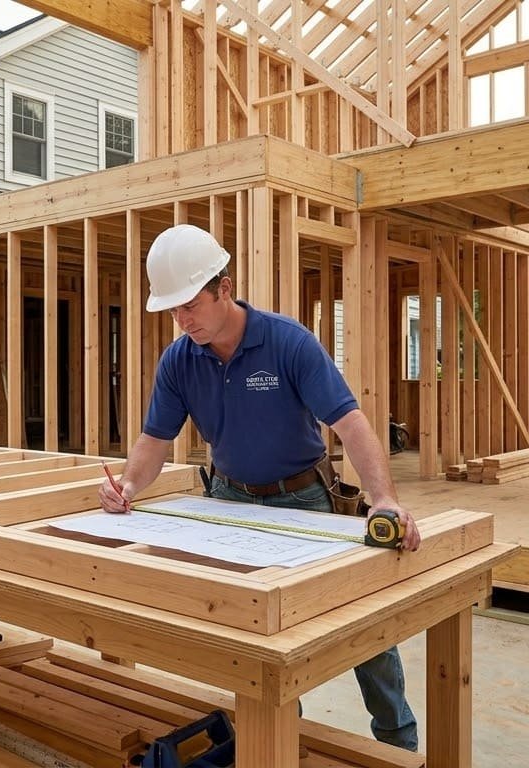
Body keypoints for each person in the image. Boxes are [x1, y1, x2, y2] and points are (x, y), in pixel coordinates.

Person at [97, 223, 422, 752]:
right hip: (228, 500)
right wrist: (129, 485)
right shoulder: (180, 359)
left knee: (363, 624)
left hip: (306, 498)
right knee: (250, 633)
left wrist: (383, 499)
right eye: (173, 310)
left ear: (224, 288)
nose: (182, 321)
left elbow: (351, 423)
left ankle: (397, 740)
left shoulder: (287, 342)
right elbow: (155, 438)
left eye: (190, 306)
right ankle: (275, 740)